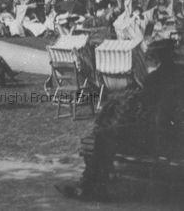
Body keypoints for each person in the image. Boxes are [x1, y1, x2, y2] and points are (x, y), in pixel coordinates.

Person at [56, 39, 184, 201]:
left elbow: (148, 110)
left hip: (155, 135)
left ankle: (93, 186)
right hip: (174, 135)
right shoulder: (180, 74)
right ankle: (90, 184)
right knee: (110, 134)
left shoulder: (154, 79)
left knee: (105, 135)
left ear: (158, 56)